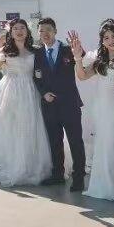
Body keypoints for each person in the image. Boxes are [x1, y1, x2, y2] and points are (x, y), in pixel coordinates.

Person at [68, 22, 114, 202]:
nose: (111, 40)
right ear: (102, 41)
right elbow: (82, 76)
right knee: (103, 144)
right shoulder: (100, 59)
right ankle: (102, 186)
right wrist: (77, 58)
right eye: (106, 38)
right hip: (101, 106)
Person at [0, 19, 53, 186]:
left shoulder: (35, 50)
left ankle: (29, 165)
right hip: (10, 91)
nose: (19, 31)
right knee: (9, 127)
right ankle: (10, 164)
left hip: (30, 91)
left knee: (30, 126)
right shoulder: (4, 50)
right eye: (15, 28)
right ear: (11, 32)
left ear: (27, 31)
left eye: (22, 28)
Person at [34, 18, 86, 190]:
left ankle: (78, 178)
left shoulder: (67, 49)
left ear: (55, 31)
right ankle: (57, 174)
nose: (45, 33)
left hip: (69, 104)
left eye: (48, 29)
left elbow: (82, 60)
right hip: (49, 105)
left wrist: (78, 51)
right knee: (54, 141)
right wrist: (43, 93)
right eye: (41, 30)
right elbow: (36, 77)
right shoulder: (38, 53)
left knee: (75, 141)